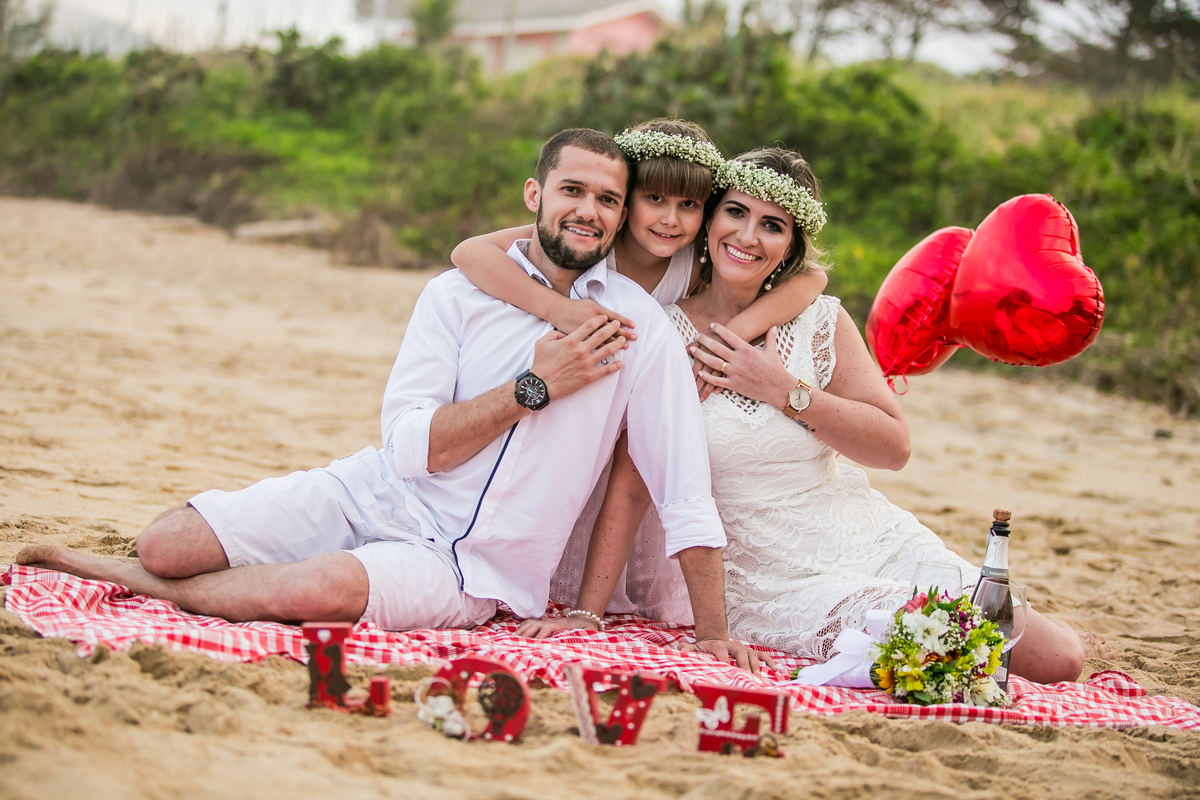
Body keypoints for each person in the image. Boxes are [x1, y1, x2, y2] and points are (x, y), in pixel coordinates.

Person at [16, 128, 764, 670]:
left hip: (472, 568)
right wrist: (534, 388)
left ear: (621, 215)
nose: (588, 210)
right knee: (167, 543)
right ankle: (158, 571)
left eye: (607, 199)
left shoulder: (638, 329)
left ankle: (134, 584)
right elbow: (409, 447)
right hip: (375, 491)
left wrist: (712, 635)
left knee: (325, 588)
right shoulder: (455, 294)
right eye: (572, 190)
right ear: (535, 195)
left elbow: (678, 483)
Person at [519, 147, 1087, 685]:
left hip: (863, 533)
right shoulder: (664, 332)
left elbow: (893, 448)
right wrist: (588, 614)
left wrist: (783, 389)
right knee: (946, 647)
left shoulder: (820, 320)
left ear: (790, 246)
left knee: (1058, 657)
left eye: (772, 225)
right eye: (735, 213)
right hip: (767, 578)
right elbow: (631, 484)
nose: (748, 236)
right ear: (708, 222)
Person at [451, 119, 826, 621]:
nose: (670, 220)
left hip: (634, 425)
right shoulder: (590, 243)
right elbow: (469, 252)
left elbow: (812, 280)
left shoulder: (691, 262)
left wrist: (723, 341)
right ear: (626, 201)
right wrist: (559, 309)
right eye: (654, 199)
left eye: (689, 205)